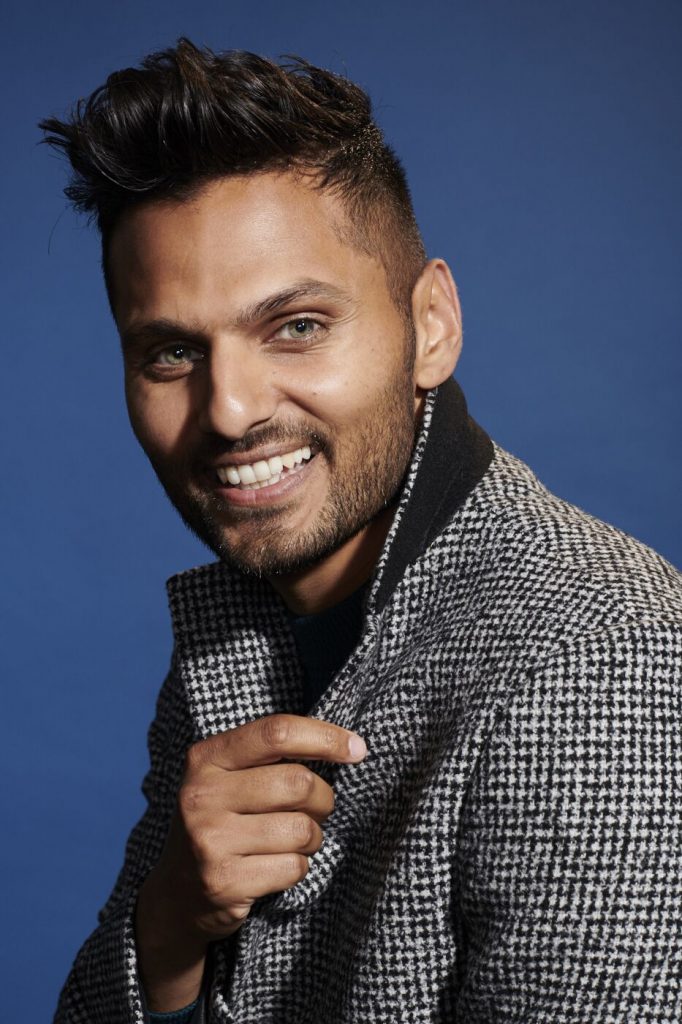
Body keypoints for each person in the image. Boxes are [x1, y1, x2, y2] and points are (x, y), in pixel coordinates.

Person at [41, 37, 681, 1024]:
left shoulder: (597, 653)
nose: (230, 409)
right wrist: (168, 924)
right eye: (172, 351)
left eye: (295, 325)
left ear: (430, 326)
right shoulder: (242, 625)